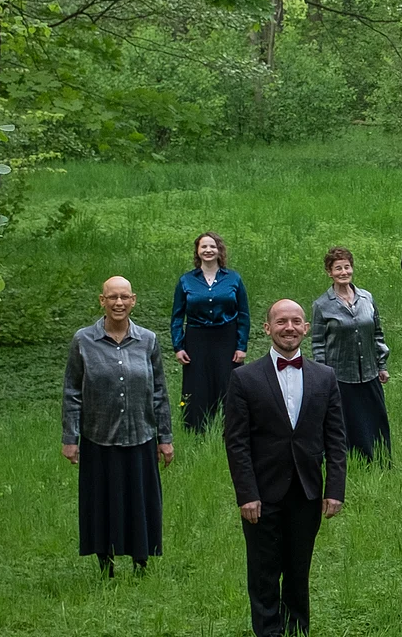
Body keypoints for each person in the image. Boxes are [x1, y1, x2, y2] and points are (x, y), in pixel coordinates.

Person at [223, 300, 347, 637]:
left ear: (306, 328)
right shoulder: (244, 378)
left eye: (295, 321)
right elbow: (236, 442)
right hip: (262, 493)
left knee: (298, 570)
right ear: (267, 328)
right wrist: (246, 494)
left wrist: (335, 489)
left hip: (307, 491)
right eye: (281, 322)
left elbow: (336, 438)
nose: (288, 327)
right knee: (263, 571)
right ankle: (268, 631)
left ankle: (297, 629)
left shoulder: (325, 377)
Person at [64, 276, 174, 577]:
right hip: (98, 437)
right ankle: (105, 564)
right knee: (101, 503)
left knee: (140, 501)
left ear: (133, 300)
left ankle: (141, 562)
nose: (119, 303)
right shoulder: (83, 341)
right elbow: (72, 391)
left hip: (141, 435)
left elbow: (160, 392)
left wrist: (165, 438)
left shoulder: (148, 340)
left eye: (124, 297)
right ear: (102, 301)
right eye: (112, 297)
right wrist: (70, 438)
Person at [311, 247, 393, 462]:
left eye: (347, 267)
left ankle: (380, 459)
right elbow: (318, 343)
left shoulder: (367, 298)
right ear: (329, 272)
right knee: (345, 421)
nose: (343, 272)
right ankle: (346, 461)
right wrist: (323, 374)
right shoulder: (322, 305)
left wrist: (382, 365)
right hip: (340, 375)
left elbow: (377, 333)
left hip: (369, 372)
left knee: (375, 418)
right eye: (338, 268)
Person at [171, 231, 249, 433]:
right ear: (197, 251)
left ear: (219, 250)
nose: (208, 250)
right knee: (197, 384)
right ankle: (195, 431)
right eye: (204, 246)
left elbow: (243, 314)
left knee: (228, 382)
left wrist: (241, 346)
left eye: (212, 246)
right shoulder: (186, 280)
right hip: (196, 339)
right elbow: (177, 316)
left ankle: (231, 429)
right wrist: (178, 346)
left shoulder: (233, 279)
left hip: (227, 338)